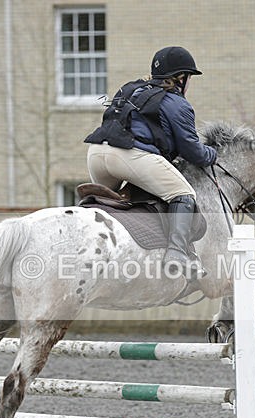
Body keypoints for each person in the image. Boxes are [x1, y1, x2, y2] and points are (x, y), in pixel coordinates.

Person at [84, 46, 217, 278]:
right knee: (183, 194)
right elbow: (193, 151)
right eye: (189, 78)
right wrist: (213, 154)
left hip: (96, 153)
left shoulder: (130, 89)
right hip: (127, 155)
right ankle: (177, 255)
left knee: (113, 204)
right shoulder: (176, 102)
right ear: (181, 77)